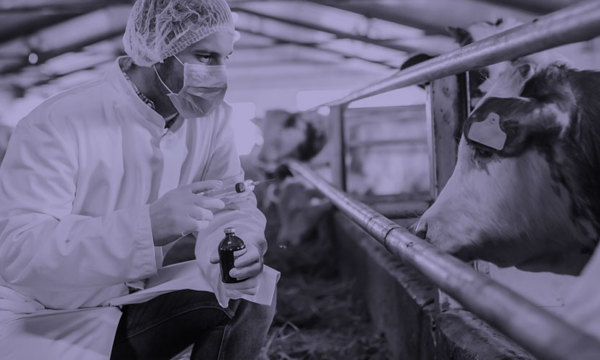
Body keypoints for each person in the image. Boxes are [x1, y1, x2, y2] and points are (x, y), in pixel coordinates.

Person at [0, 0, 278, 359]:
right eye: (205, 57)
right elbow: (19, 252)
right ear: (157, 51)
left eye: (226, 58)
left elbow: (231, 203)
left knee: (251, 294)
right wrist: (146, 227)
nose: (219, 74)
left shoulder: (213, 121)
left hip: (130, 298)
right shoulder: (58, 122)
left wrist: (239, 245)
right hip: (48, 317)